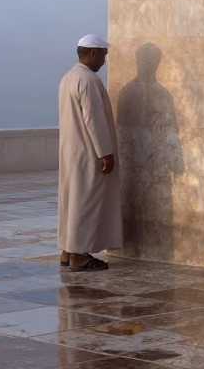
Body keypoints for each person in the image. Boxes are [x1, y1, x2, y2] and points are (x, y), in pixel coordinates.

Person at [57, 34, 122, 271]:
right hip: (88, 153)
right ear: (93, 54)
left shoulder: (68, 78)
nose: (104, 61)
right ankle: (80, 256)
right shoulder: (88, 80)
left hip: (72, 151)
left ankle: (68, 250)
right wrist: (105, 153)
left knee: (73, 201)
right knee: (87, 202)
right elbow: (93, 120)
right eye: (103, 55)